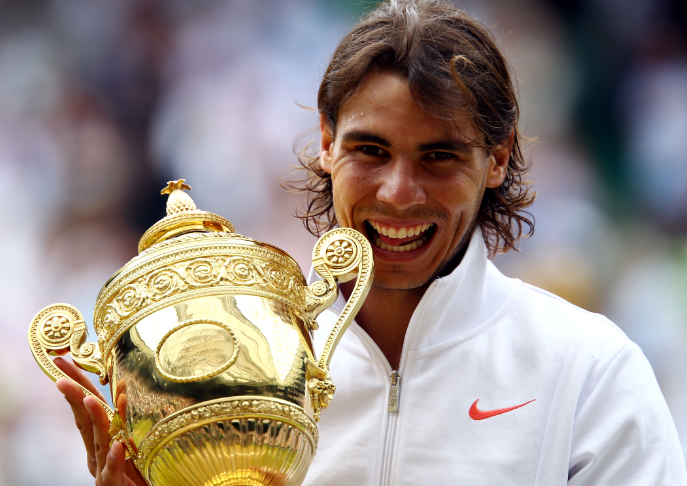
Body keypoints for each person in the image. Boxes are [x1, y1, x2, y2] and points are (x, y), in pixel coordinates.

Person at [55, 1, 687, 485]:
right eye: (371, 151)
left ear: (498, 158)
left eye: (439, 156)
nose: (399, 193)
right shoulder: (230, 383)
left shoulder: (589, 368)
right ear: (326, 143)